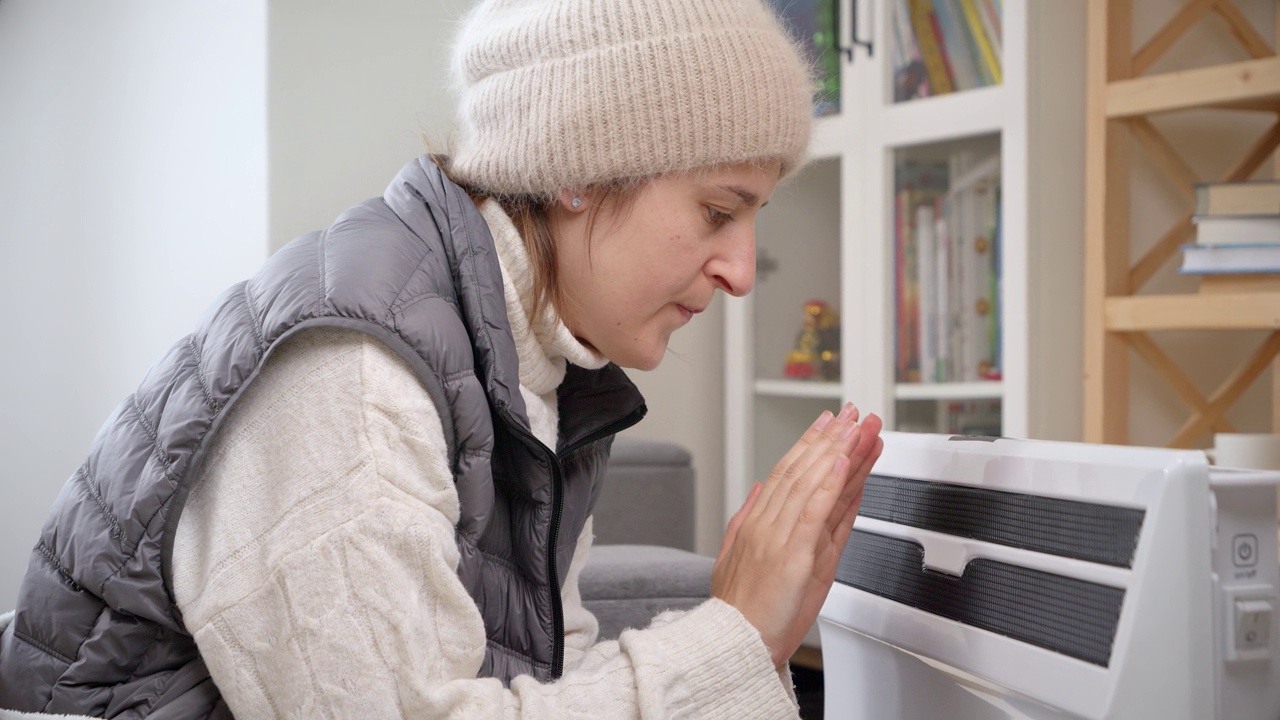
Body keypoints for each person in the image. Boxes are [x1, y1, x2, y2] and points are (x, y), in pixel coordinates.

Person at [0, 0, 884, 717]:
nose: (740, 271)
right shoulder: (352, 376)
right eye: (719, 211)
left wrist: (759, 640)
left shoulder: (537, 370)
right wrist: (732, 638)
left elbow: (548, 687)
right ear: (577, 170)